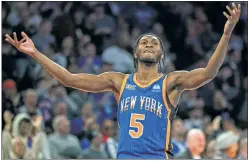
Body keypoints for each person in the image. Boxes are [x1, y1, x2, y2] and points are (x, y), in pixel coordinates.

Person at [5, 3, 241, 159]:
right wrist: (35, 53)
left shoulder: (170, 82)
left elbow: (209, 72)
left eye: (154, 43)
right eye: (144, 42)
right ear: (136, 53)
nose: (149, 43)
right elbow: (69, 79)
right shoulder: (119, 81)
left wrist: (226, 33)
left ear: (160, 55)